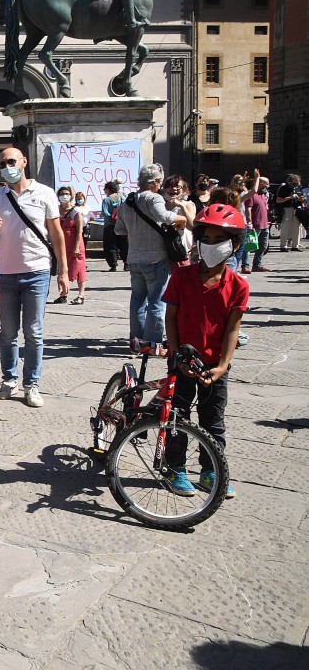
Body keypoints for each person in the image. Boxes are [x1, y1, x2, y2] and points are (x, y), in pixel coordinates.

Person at [162, 204, 248, 499]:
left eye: (218, 240)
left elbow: (232, 329)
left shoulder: (238, 285)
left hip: (214, 365)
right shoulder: (182, 277)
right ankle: (175, 468)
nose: (210, 246)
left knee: (213, 420)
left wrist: (223, 365)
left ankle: (210, 470)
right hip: (183, 362)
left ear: (234, 245)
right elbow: (170, 318)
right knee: (177, 417)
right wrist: (175, 356)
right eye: (205, 240)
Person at [0, 148, 69, 408]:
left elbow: (56, 234)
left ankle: (32, 384)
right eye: (2, 163)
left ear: (23, 162)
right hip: (5, 272)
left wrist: (63, 270)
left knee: (33, 331)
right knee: (7, 332)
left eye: (11, 161)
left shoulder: (44, 193)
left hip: (37, 271)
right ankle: (9, 380)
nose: (7, 166)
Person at [116, 163, 188, 354]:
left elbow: (119, 230)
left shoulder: (128, 201)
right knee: (157, 301)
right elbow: (165, 217)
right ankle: (152, 343)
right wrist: (181, 219)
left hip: (134, 258)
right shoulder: (153, 198)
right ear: (156, 181)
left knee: (137, 300)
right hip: (155, 257)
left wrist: (136, 231)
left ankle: (136, 341)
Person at [55, 186, 87, 305]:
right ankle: (63, 294)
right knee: (62, 268)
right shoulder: (56, 210)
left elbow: (79, 231)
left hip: (74, 243)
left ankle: (81, 295)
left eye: (67, 193)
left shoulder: (76, 211)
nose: (64, 195)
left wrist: (77, 246)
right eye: (62, 193)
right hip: (62, 244)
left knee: (79, 268)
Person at [242, 170, 271, 272]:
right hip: (255, 225)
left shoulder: (263, 195)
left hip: (264, 225)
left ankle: (257, 265)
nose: (268, 186)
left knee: (263, 246)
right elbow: (248, 209)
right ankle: (245, 266)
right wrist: (250, 222)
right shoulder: (252, 195)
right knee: (249, 246)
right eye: (267, 184)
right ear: (261, 184)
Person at [100, 180, 127, 271]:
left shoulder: (106, 200)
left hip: (109, 226)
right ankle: (126, 263)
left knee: (110, 245)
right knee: (124, 245)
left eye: (105, 189)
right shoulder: (122, 198)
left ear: (108, 189)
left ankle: (113, 264)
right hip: (122, 224)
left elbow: (105, 213)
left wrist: (111, 218)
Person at [276, 174, 303, 251]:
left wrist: (301, 199)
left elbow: (301, 197)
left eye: (297, 183)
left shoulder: (299, 187)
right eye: (294, 183)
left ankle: (295, 245)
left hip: (297, 208)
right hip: (287, 208)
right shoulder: (284, 188)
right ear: (290, 182)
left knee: (297, 227)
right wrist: (290, 197)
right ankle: (283, 245)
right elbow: (278, 200)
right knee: (285, 226)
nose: (296, 185)